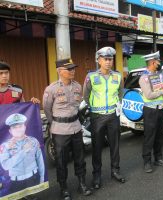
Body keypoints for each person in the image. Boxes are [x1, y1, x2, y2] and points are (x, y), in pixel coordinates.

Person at [43, 58, 92, 200]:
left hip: (76, 128)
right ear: (60, 71)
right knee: (61, 161)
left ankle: (82, 183)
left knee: (80, 158)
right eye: (69, 69)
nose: (72, 71)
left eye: (73, 68)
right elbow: (47, 109)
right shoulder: (51, 89)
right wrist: (55, 124)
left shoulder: (77, 86)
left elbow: (77, 107)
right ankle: (63, 188)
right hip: (60, 130)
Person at [83, 47, 125, 189]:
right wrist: (94, 108)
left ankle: (115, 171)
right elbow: (86, 96)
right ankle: (97, 175)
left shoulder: (118, 76)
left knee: (115, 145)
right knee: (97, 147)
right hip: (97, 117)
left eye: (110, 59)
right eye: (105, 59)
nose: (108, 62)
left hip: (113, 116)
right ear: (98, 60)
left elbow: (120, 93)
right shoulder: (91, 76)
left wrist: (116, 107)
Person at [0, 61, 40, 200]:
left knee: (23, 163)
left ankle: (25, 193)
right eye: (1, 74)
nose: (4, 76)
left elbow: (23, 109)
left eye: (6, 73)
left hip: (15, 135)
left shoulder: (16, 90)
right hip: (1, 136)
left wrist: (32, 102)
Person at [138, 51, 163, 173]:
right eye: (158, 61)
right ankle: (147, 161)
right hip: (150, 111)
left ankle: (158, 158)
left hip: (160, 110)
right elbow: (149, 95)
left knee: (159, 136)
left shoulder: (160, 76)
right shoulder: (144, 78)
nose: (159, 63)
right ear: (152, 62)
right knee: (149, 137)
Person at [0, 113, 45, 194]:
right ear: (10, 131)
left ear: (24, 127)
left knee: (34, 197)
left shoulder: (33, 141)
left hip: (33, 178)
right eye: (14, 127)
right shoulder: (5, 146)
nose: (18, 129)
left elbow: (40, 161)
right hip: (16, 183)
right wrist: (23, 152)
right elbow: (6, 166)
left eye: (20, 126)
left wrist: (42, 178)